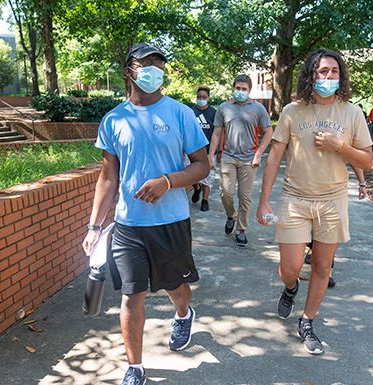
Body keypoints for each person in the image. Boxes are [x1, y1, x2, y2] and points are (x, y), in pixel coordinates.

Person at [82, 42, 209, 385]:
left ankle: (184, 313)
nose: (155, 69)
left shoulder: (180, 113)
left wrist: (168, 181)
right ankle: (135, 367)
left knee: (175, 286)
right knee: (131, 295)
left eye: (159, 63)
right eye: (146, 63)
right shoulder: (113, 120)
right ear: (129, 71)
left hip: (170, 221)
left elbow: (202, 166)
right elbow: (108, 177)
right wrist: (95, 226)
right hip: (128, 224)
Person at [256, 48, 373, 355]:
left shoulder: (352, 112)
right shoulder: (293, 111)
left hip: (333, 201)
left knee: (321, 266)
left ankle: (307, 322)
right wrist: (263, 200)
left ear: (341, 76)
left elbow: (367, 160)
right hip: (295, 199)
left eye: (334, 71)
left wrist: (340, 146)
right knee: (290, 266)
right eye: (323, 71)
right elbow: (275, 156)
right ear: (311, 74)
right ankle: (291, 287)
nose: (329, 77)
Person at [208, 74, 273, 247]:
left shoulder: (258, 109)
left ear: (249, 91)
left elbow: (269, 131)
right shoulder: (224, 107)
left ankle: (241, 230)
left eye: (244, 89)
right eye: (238, 88)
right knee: (226, 194)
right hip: (228, 157)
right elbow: (216, 133)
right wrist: (211, 155)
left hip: (248, 160)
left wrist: (259, 153)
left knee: (245, 197)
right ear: (233, 88)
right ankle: (231, 215)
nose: (240, 91)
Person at [191, 86, 217, 212]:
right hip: (193, 150)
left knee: (208, 177)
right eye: (199, 97)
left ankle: (205, 200)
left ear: (208, 98)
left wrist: (218, 152)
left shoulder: (213, 113)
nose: (201, 99)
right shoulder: (191, 112)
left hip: (208, 151)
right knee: (192, 175)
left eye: (204, 97)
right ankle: (196, 188)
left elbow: (217, 133)